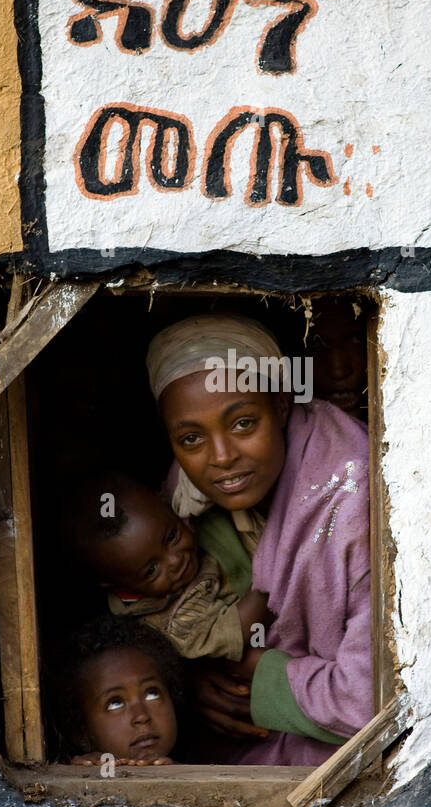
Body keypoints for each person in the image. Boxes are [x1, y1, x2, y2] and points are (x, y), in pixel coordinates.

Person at [146, 313, 372, 766]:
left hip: (334, 776)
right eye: (191, 438)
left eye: (244, 423)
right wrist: (188, 684)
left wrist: (254, 671)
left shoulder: (354, 494)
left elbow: (368, 700)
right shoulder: (182, 499)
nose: (222, 457)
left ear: (283, 406)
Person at [67, 469, 271, 662]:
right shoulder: (173, 622)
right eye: (151, 570)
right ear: (122, 588)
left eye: (172, 536)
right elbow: (239, 630)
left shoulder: (176, 504)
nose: (175, 561)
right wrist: (272, 576)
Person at [53, 615, 185, 766]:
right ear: (81, 735)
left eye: (152, 693)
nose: (141, 716)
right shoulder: (87, 775)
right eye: (115, 703)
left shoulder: (195, 772)